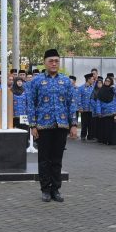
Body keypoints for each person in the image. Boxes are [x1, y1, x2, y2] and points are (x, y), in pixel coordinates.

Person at [26, 49, 77, 203]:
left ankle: (56, 189)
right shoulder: (36, 81)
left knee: (57, 159)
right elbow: (31, 104)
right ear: (45, 62)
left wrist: (73, 124)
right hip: (43, 126)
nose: (54, 63)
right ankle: (45, 189)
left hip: (61, 125)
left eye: (56, 61)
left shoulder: (66, 81)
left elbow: (72, 104)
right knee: (44, 159)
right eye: (51, 61)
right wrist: (33, 125)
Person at [92, 75, 115, 145]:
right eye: (106, 81)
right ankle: (104, 140)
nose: (107, 82)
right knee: (104, 127)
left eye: (109, 81)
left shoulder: (113, 90)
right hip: (103, 112)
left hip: (112, 112)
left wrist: (114, 87)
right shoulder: (101, 90)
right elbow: (98, 102)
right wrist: (98, 111)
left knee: (111, 127)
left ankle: (111, 141)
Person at [77, 73, 94, 141]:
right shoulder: (81, 88)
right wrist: (80, 107)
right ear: (88, 79)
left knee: (91, 123)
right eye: (92, 79)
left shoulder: (93, 88)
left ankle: (90, 136)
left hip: (91, 109)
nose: (93, 80)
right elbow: (78, 98)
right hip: (84, 109)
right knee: (84, 123)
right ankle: (83, 135)